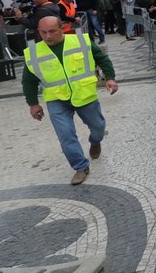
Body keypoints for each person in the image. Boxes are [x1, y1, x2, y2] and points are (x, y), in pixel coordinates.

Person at [23, 16, 118, 185]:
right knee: (65, 134)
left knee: (98, 127)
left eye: (52, 31)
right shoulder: (32, 52)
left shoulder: (80, 41)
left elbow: (101, 58)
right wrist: (33, 103)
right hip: (56, 98)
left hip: (84, 94)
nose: (48, 36)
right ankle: (81, 167)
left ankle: (95, 141)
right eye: (43, 32)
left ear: (62, 28)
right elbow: (28, 80)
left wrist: (110, 78)